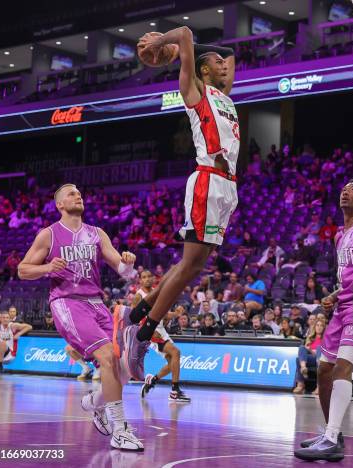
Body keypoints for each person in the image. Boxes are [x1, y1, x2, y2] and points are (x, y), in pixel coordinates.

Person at [128, 28, 238, 368]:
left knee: (193, 266)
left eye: (224, 64)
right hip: (207, 180)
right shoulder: (195, 91)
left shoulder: (226, 97)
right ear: (203, 69)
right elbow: (188, 34)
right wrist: (169, 45)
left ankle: (142, 311)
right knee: (190, 265)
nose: (225, 66)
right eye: (217, 63)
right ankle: (145, 333)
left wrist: (215, 54)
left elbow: (231, 52)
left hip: (227, 186)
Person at [17, 183, 143, 451]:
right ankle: (120, 430)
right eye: (71, 194)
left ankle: (94, 404)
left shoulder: (97, 234)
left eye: (79, 193)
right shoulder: (48, 235)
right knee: (108, 357)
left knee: (124, 367)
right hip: (67, 302)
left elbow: (123, 270)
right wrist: (48, 267)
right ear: (60, 205)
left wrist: (128, 264)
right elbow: (22, 270)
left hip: (97, 303)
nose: (78, 195)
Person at [294, 179, 353, 462]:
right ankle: (331, 433)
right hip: (343, 306)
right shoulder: (338, 235)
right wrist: (335, 294)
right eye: (344, 188)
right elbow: (350, 276)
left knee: (342, 367)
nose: (346, 192)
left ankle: (332, 438)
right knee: (323, 371)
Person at [134, 271, 190, 403]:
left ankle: (151, 381)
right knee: (176, 352)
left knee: (173, 362)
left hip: (161, 330)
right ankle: (174, 392)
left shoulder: (157, 293)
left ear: (154, 279)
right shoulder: (139, 296)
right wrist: (147, 330)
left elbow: (163, 314)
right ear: (140, 281)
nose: (147, 279)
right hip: (150, 331)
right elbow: (134, 317)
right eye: (144, 277)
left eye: (149, 276)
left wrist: (176, 314)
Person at [293, 319, 326, 395]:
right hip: (312, 358)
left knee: (319, 348)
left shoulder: (326, 339)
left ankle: (319, 386)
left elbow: (324, 352)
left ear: (324, 328)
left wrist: (312, 350)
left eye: (321, 326)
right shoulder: (310, 338)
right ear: (315, 327)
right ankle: (301, 381)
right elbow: (306, 352)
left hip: (322, 359)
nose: (319, 327)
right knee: (301, 348)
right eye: (317, 325)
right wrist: (310, 350)